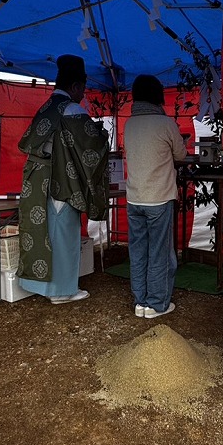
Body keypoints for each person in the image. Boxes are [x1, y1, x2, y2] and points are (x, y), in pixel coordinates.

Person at [17, 55, 109, 303]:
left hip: (37, 180)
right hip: (61, 180)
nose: (84, 94)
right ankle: (61, 291)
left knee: (42, 232)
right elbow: (93, 146)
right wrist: (103, 134)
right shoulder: (72, 109)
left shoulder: (45, 108)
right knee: (63, 234)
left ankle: (40, 285)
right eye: (83, 89)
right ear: (76, 86)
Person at [123, 74, 188, 319]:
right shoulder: (166, 124)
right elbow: (180, 156)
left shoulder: (130, 124)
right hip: (159, 198)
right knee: (159, 252)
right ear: (158, 96)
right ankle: (157, 304)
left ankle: (140, 301)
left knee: (138, 251)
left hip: (134, 198)